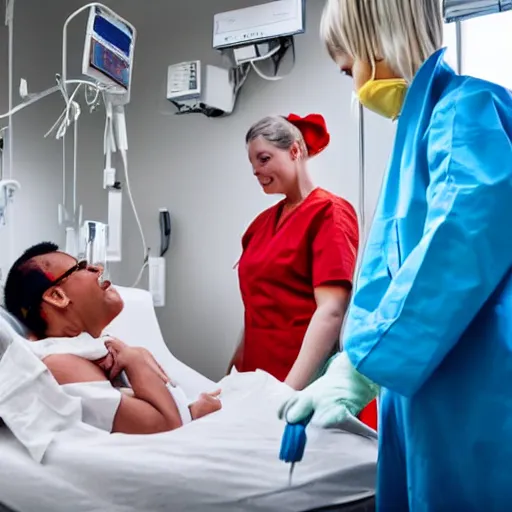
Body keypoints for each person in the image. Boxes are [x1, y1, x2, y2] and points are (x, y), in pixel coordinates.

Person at [279, 0, 512, 509]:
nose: (353, 83)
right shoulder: (419, 137)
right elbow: (400, 272)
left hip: (474, 384)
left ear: (377, 41)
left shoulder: (467, 108)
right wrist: (361, 365)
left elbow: (458, 245)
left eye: (348, 67)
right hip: (429, 383)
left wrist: (360, 364)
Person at [227, 113, 378, 428]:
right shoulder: (260, 225)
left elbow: (332, 311)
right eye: (252, 163)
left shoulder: (329, 213)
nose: (256, 170)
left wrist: (287, 393)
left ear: (295, 151)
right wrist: (231, 377)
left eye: (264, 158)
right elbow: (255, 308)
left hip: (302, 382)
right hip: (256, 380)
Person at [3, 242, 221, 435]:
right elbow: (166, 426)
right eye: (82, 267)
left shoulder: (95, 351)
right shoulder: (60, 364)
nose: (98, 269)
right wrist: (135, 360)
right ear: (57, 297)